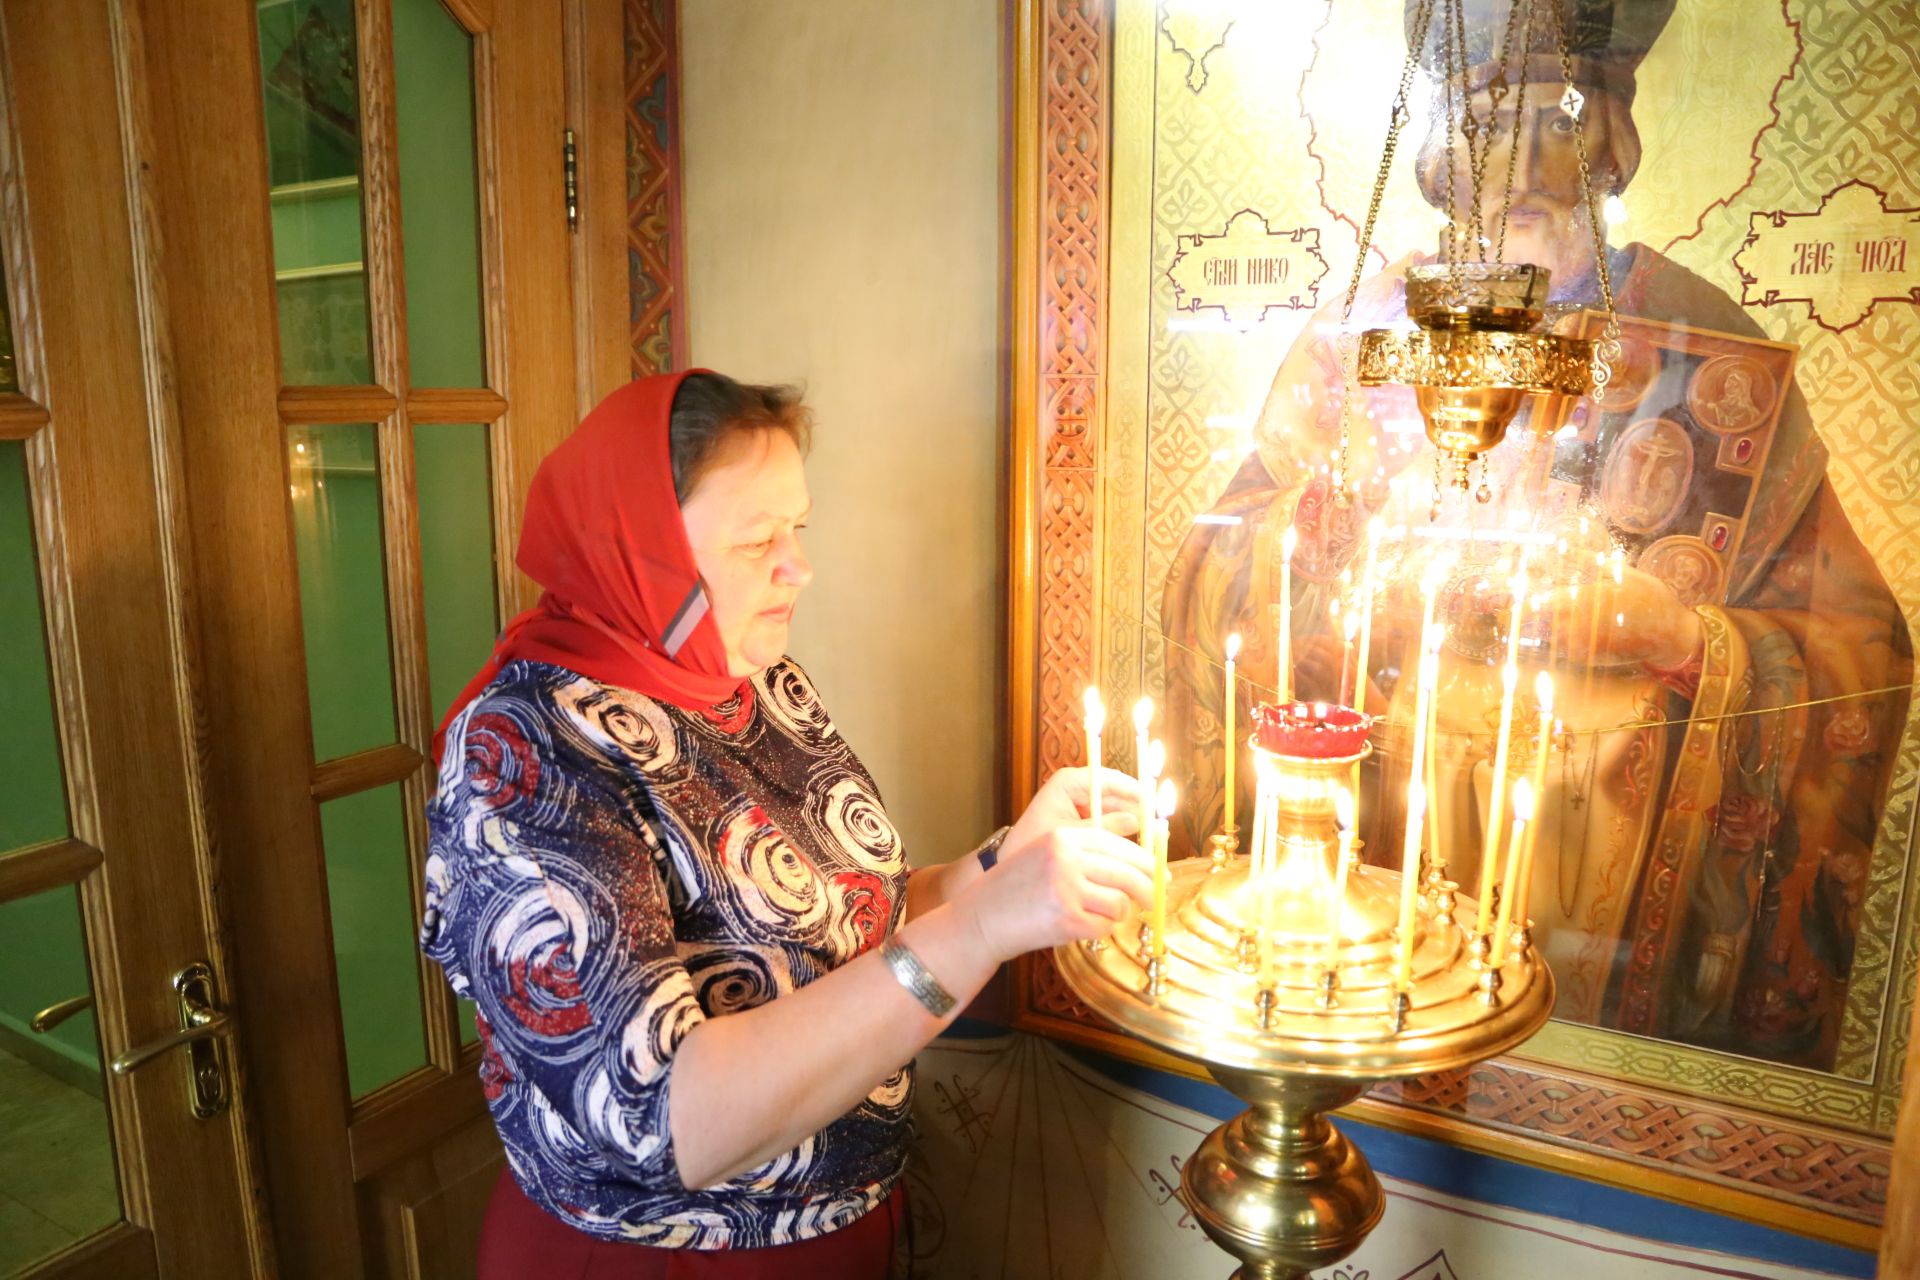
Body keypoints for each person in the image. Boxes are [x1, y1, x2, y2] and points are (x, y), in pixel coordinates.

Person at [1163, 0, 1911, 1069]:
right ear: (1434, 152)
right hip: (1376, 847)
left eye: (1553, 121)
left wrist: (1679, 636)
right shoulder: (1363, 335)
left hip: (1600, 896)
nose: (1515, 165)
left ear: (1608, 135)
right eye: (1481, 123)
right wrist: (1325, 540)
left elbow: (1859, 650)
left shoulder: (1710, 353)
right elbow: (1213, 566)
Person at [422, 370, 1152, 1277]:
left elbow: (857, 921)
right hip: (664, 1262)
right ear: (637, 551)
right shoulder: (530, 754)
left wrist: (1004, 865)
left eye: (797, 527)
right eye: (756, 539)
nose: (797, 565)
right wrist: (984, 927)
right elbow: (671, 1118)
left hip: (846, 1225)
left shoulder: (755, 681)